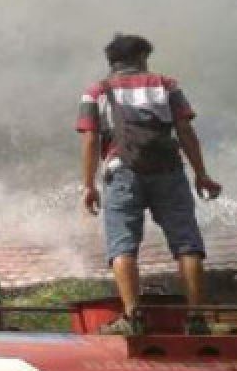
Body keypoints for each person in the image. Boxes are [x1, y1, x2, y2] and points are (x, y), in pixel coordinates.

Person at [77, 34, 222, 335]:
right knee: (187, 244)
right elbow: (185, 130)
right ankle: (196, 318)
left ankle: (133, 317)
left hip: (122, 171)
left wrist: (88, 185)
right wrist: (201, 173)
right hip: (169, 170)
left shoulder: (96, 91)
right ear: (141, 57)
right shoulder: (166, 85)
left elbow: (90, 139)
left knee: (123, 246)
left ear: (112, 62)